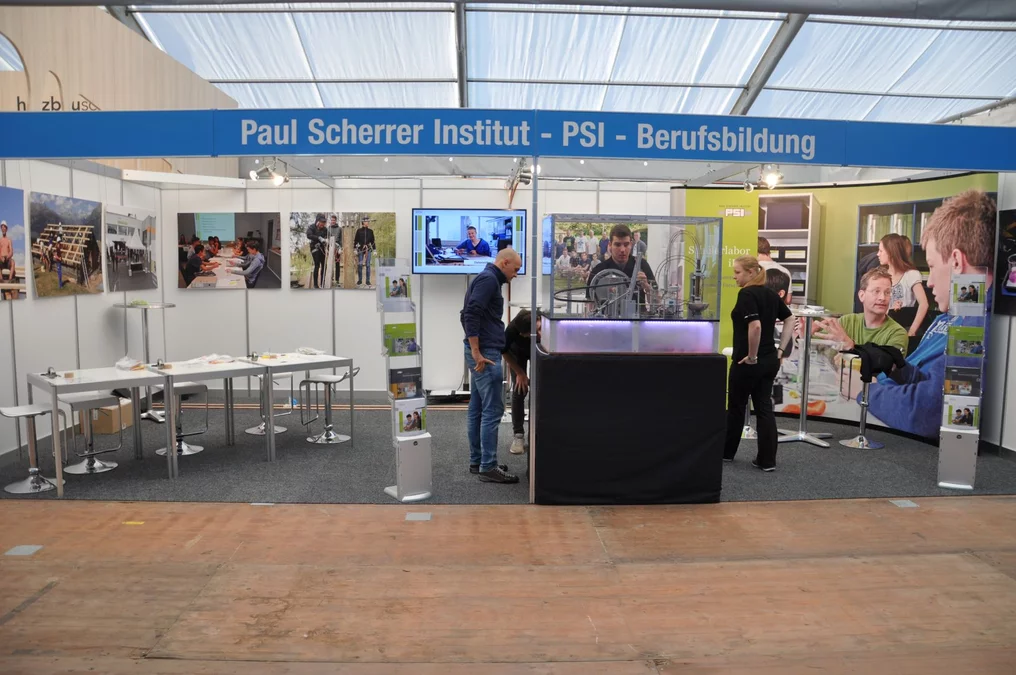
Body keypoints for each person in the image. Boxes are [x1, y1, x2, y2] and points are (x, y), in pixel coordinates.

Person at [868, 190, 996, 437]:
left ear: (957, 261)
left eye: (933, 266)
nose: (930, 282)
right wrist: (895, 368)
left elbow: (931, 411)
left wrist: (864, 392)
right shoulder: (956, 315)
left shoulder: (976, 326)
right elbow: (930, 381)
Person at [724, 256, 793, 471]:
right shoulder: (770, 294)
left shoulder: (747, 294)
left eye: (737, 272)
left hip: (748, 363)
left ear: (752, 272)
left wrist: (752, 356)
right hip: (769, 360)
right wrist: (780, 350)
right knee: (764, 407)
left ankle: (726, 453)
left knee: (736, 407)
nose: (734, 276)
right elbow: (790, 318)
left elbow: (755, 326)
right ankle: (767, 460)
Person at [460, 248, 523, 483]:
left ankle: (478, 461)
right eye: (515, 269)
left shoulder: (488, 279)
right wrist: (477, 352)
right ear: (504, 262)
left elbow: (468, 314)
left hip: (482, 351)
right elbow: (470, 314)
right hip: (485, 354)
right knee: (493, 410)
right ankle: (488, 466)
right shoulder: (488, 280)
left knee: (477, 408)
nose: (516, 274)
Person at [811, 268, 910, 357]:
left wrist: (850, 346)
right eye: (876, 291)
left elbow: (889, 365)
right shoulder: (847, 321)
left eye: (887, 292)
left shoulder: (898, 333)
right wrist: (806, 336)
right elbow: (816, 348)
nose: (882, 298)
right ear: (862, 295)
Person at [501, 309, 540, 456]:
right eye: (524, 335)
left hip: (538, 351)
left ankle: (537, 434)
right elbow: (503, 351)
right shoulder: (512, 329)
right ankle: (518, 435)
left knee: (539, 389)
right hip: (517, 353)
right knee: (519, 390)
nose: (526, 336)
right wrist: (520, 373)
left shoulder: (543, 322)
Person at [587, 224, 656, 306]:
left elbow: (657, 302)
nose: (622, 249)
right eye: (617, 244)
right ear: (610, 245)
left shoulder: (641, 265)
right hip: (606, 314)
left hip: (637, 314)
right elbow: (589, 305)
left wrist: (647, 287)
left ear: (631, 244)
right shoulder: (598, 271)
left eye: (626, 245)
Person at [878, 233, 929, 337]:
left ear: (891, 252)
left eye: (881, 251)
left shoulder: (911, 275)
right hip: (883, 329)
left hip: (903, 329)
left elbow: (924, 304)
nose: (878, 254)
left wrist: (912, 331)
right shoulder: (881, 275)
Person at [354, 216, 376, 286]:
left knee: (368, 265)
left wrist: (374, 250)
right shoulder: (359, 231)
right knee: (360, 265)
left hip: (368, 249)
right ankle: (360, 280)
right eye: (367, 221)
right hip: (360, 249)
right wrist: (355, 248)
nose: (368, 222)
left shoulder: (370, 231)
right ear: (363, 222)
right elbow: (356, 241)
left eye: (368, 221)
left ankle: (367, 281)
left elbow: (373, 241)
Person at [307, 214, 327, 289]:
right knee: (317, 265)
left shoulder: (325, 229)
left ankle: (322, 283)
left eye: (324, 222)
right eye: (322, 222)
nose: (323, 224)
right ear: (317, 221)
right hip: (314, 248)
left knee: (324, 265)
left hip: (322, 248)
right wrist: (318, 237)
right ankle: (315, 285)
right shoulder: (312, 227)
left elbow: (329, 236)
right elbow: (309, 235)